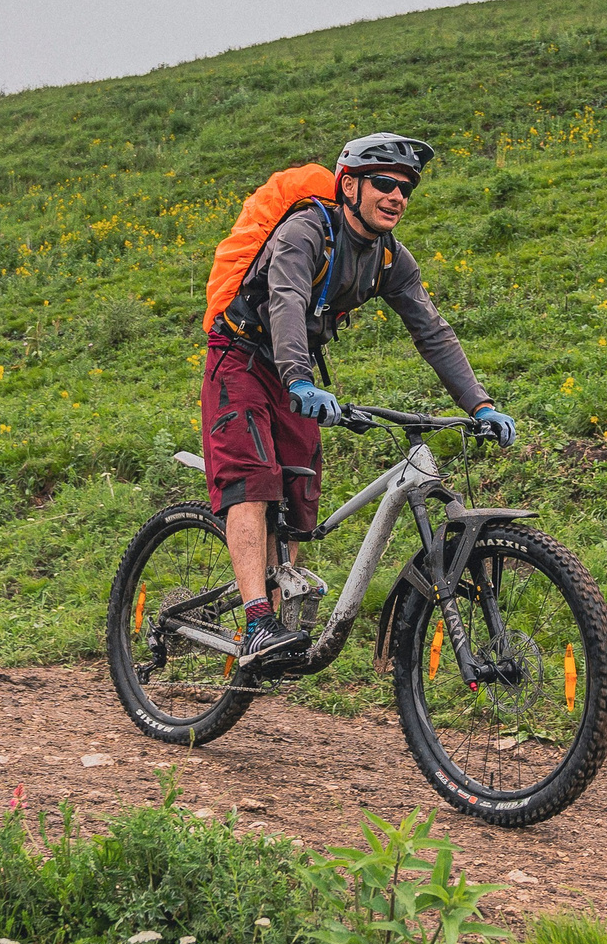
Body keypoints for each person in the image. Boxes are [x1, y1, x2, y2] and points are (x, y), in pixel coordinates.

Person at [202, 133, 516, 665]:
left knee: (298, 502)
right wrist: (300, 379)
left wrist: (479, 405)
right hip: (242, 356)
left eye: (406, 189)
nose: (397, 196)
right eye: (385, 184)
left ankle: (279, 623)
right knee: (252, 481)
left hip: (292, 372)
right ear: (349, 186)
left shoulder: (390, 257)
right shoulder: (305, 233)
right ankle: (257, 622)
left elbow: (433, 333)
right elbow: (286, 300)